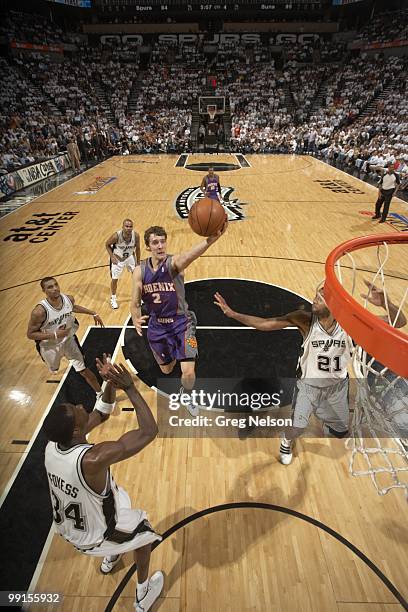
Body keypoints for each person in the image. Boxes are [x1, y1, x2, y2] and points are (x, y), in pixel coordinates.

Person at [214, 280, 401, 464]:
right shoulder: (305, 320)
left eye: (322, 295)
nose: (315, 298)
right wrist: (233, 314)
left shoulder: (353, 325)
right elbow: (264, 324)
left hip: (337, 387)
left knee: (340, 433)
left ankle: (328, 417)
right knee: (297, 427)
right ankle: (286, 441)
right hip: (308, 387)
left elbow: (398, 321)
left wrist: (386, 303)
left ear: (337, 303)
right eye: (317, 293)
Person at [43, 357, 163, 611]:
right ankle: (143, 594)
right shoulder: (93, 459)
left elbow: (101, 413)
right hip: (95, 536)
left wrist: (109, 383)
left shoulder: (53, 444)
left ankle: (112, 554)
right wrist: (129, 387)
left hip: (70, 526)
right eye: (76, 409)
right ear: (77, 431)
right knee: (144, 535)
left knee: (117, 499)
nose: (78, 404)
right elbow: (148, 432)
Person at [131, 223, 227, 416]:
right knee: (167, 370)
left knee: (188, 372)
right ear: (148, 246)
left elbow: (191, 254)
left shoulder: (173, 264)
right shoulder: (140, 271)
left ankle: (188, 394)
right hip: (157, 327)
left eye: (163, 242)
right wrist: (134, 316)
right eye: (155, 242)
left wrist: (212, 239)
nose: (160, 246)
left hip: (182, 324)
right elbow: (135, 301)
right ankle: (173, 360)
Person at [27, 277, 104, 396]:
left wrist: (93, 313)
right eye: (50, 287)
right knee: (54, 368)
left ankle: (100, 394)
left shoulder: (68, 299)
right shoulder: (39, 312)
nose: (55, 289)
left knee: (84, 370)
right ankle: (53, 367)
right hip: (49, 346)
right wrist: (55, 334)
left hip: (69, 341)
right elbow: (30, 334)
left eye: (56, 284)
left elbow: (73, 307)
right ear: (44, 291)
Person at [105, 219, 141, 309]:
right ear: (123, 227)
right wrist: (112, 257)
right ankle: (113, 298)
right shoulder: (116, 236)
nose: (128, 228)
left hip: (129, 257)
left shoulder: (136, 235)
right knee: (115, 279)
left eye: (130, 226)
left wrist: (138, 262)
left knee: (138, 276)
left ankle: (139, 296)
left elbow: (138, 249)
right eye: (126, 226)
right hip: (118, 258)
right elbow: (107, 244)